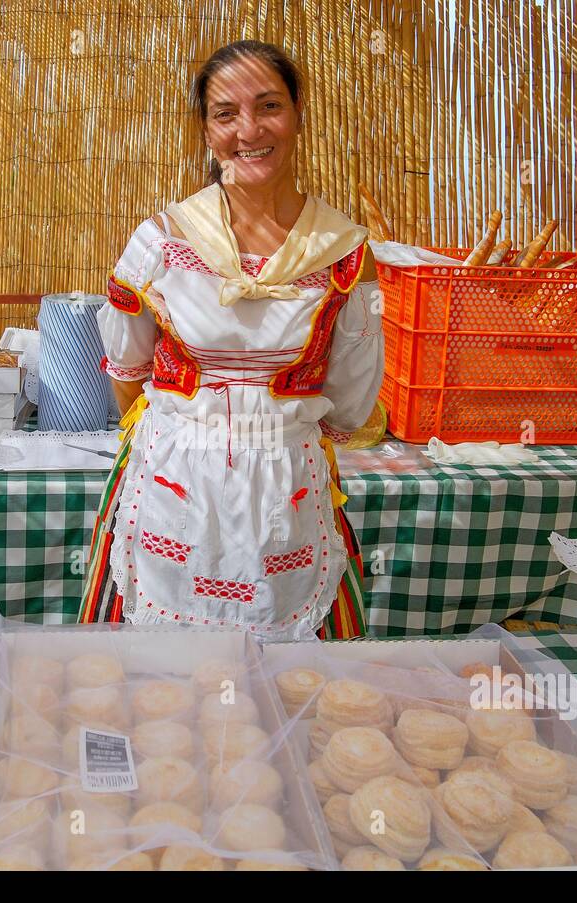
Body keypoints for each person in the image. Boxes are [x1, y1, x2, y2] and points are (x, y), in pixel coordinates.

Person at [76, 40, 384, 641]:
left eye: (268, 106)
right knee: (157, 680)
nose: (249, 130)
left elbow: (350, 397)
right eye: (226, 113)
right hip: (170, 480)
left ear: (298, 113)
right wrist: (187, 436)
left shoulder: (345, 253)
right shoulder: (161, 244)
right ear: (206, 128)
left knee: (289, 678)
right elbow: (126, 365)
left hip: (285, 488)